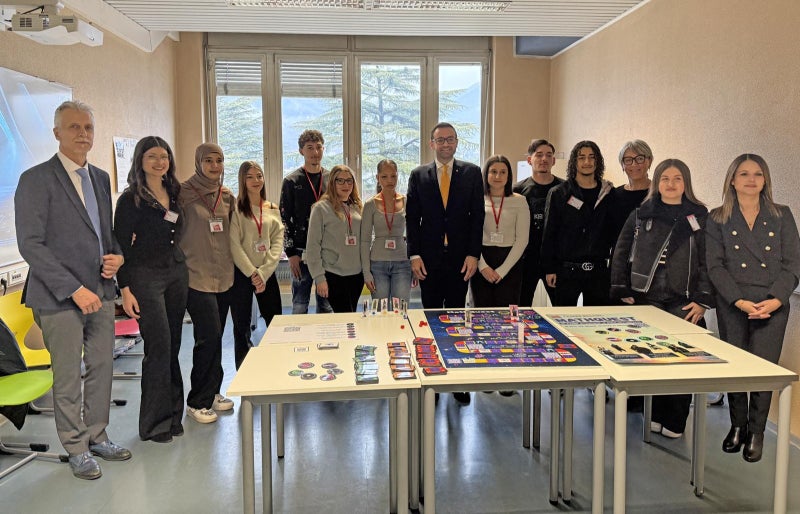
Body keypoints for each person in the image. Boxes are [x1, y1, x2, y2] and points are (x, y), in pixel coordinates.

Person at [15, 100, 131, 479]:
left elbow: (104, 233)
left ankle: (97, 436)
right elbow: (31, 244)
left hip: (101, 290)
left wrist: (116, 257)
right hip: (58, 296)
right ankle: (77, 447)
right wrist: (74, 289)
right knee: (68, 376)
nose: (83, 134)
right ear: (57, 133)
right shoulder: (35, 179)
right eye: (74, 127)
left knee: (102, 367)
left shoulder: (99, 177)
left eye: (88, 127)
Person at [610, 158, 714, 438]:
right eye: (665, 178)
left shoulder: (700, 217)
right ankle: (653, 413)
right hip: (647, 297)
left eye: (677, 178)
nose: (671, 184)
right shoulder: (641, 214)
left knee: (684, 359)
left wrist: (703, 300)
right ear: (657, 183)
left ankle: (675, 420)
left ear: (686, 183)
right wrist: (621, 289)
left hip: (684, 299)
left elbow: (708, 261)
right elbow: (621, 253)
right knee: (650, 358)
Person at [706, 153, 800, 463]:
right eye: (744, 173)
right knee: (735, 367)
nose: (751, 179)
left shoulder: (782, 215)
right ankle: (738, 424)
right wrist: (738, 301)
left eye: (757, 174)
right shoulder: (717, 217)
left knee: (763, 367)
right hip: (733, 301)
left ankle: (756, 431)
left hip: (772, 302)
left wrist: (776, 299)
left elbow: (793, 264)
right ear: (732, 180)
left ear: (765, 180)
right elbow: (715, 265)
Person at [114, 136, 187, 444]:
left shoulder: (175, 192)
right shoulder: (131, 199)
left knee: (173, 346)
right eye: (152, 157)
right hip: (145, 277)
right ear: (140, 161)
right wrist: (125, 289)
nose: (159, 162)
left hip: (176, 274)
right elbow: (119, 246)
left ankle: (173, 416)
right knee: (158, 346)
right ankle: (154, 424)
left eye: (164, 156)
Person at [406, 122, 484, 404]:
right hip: (428, 259)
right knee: (431, 318)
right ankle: (433, 379)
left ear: (456, 142)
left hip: (460, 259)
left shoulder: (472, 173)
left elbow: (478, 216)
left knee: (456, 318)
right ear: (432, 144)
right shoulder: (418, 175)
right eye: (440, 140)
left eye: (450, 139)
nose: (446, 144)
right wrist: (414, 255)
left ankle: (457, 379)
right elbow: (412, 217)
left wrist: (474, 254)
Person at [179, 143, 236, 424]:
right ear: (198, 162)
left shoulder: (226, 196)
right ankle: (196, 401)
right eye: (209, 161)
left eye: (219, 161)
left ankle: (213, 391)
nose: (215, 166)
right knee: (208, 337)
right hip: (196, 275)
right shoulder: (183, 193)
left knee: (218, 336)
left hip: (224, 275)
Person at [540, 140, 617, 307]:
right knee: (562, 319)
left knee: (597, 320)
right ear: (574, 162)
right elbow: (549, 233)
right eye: (581, 157)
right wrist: (549, 269)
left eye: (591, 157)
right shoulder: (559, 193)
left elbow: (614, 234)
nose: (587, 162)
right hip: (566, 271)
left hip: (598, 272)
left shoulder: (609, 194)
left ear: (598, 161)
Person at [229, 161, 284, 369]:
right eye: (250, 177)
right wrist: (253, 273)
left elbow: (277, 242)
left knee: (275, 322)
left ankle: (278, 365)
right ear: (242, 180)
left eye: (259, 176)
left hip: (266, 274)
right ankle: (244, 369)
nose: (256, 180)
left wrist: (264, 273)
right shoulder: (236, 209)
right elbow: (234, 244)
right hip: (242, 274)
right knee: (241, 326)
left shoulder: (272, 208)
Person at [280, 130, 333, 314]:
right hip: (300, 252)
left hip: (327, 251)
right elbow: (284, 220)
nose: (315, 152)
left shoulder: (332, 180)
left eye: (319, 147)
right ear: (301, 151)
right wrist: (290, 254)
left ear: (323, 149)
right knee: (300, 305)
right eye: (310, 148)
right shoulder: (291, 181)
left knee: (326, 305)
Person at [471, 155, 529, 307]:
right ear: (486, 174)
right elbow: (470, 235)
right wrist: (482, 267)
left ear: (509, 175)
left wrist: (503, 270)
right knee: (481, 312)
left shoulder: (519, 201)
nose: (498, 176)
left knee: (507, 314)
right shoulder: (476, 199)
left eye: (503, 172)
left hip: (510, 261)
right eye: (493, 171)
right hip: (481, 258)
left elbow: (522, 239)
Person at [305, 165, 364, 313]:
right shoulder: (321, 208)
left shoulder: (357, 207)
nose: (346, 185)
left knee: (351, 315)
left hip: (356, 274)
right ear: (332, 182)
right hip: (333, 273)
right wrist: (319, 278)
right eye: (340, 181)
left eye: (349, 181)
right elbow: (313, 246)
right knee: (345, 315)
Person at [513, 139, 563, 307]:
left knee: (561, 308)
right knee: (521, 307)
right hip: (526, 260)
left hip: (555, 261)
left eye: (549, 155)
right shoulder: (517, 190)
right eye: (539, 155)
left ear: (554, 160)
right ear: (529, 160)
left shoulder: (565, 189)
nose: (544, 159)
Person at [360, 159, 413, 303]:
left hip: (403, 263)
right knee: (379, 310)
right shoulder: (370, 204)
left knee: (400, 309)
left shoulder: (407, 201)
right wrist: (366, 272)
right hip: (377, 264)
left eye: (393, 176)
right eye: (384, 176)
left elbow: (414, 235)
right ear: (377, 178)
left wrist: (414, 264)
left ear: (397, 176)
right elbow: (364, 241)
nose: (390, 180)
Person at [612, 140, 653, 236]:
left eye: (640, 158)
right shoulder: (614, 195)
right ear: (622, 164)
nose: (634, 164)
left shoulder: (661, 193)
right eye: (628, 160)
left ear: (650, 161)